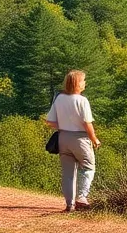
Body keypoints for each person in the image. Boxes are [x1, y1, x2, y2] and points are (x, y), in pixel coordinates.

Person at [45, 70, 101, 212]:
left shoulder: (59, 99)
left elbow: (50, 121)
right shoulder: (82, 101)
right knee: (88, 166)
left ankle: (69, 205)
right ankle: (81, 197)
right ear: (77, 83)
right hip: (80, 138)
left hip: (63, 137)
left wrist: (64, 126)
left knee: (68, 173)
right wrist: (94, 139)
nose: (85, 83)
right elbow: (87, 123)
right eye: (83, 81)